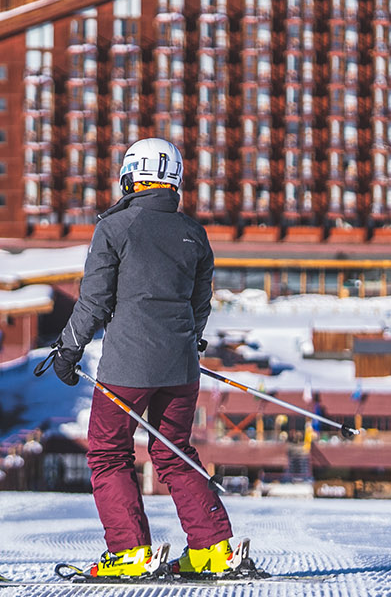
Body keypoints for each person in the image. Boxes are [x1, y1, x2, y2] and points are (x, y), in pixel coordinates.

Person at [49, 137, 246, 578]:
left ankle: (130, 552)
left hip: (127, 367)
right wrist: (187, 340)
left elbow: (94, 301)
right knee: (174, 452)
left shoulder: (114, 229)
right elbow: (200, 303)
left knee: (107, 450)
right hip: (180, 368)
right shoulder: (192, 233)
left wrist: (68, 347)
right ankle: (214, 548)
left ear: (131, 175)